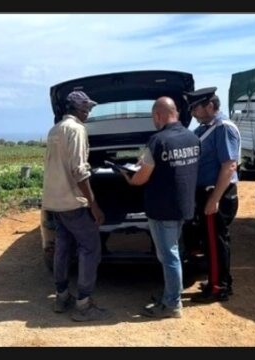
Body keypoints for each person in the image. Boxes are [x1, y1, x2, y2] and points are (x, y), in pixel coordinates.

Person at [118, 97, 200, 318]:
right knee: (173, 252)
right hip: (183, 207)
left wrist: (128, 176)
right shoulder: (192, 138)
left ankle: (172, 304)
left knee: (168, 255)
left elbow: (140, 179)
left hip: (162, 209)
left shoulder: (157, 141)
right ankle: (170, 294)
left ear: (158, 115)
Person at [42, 90, 111, 322]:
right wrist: (94, 204)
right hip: (73, 203)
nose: (89, 111)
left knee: (62, 247)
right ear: (77, 109)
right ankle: (83, 304)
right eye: (86, 108)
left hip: (55, 202)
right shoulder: (77, 130)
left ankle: (61, 297)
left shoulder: (54, 130)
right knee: (90, 248)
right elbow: (79, 171)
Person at [186, 87, 241, 303]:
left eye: (195, 108)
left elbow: (229, 166)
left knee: (215, 242)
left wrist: (214, 200)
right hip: (207, 193)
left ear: (210, 105)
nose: (192, 113)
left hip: (216, 193)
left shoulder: (223, 128)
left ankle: (219, 287)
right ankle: (216, 280)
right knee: (210, 242)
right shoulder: (204, 129)